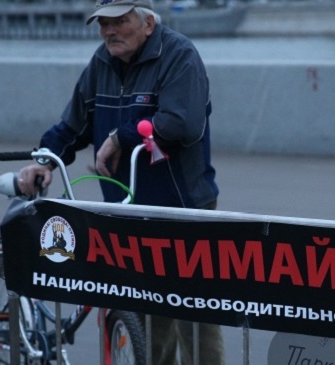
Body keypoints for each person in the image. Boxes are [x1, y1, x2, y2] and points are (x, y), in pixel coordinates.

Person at [15, 0, 223, 363]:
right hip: (126, 213)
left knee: (193, 318)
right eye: (102, 24)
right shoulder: (102, 62)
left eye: (119, 21)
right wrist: (44, 160)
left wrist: (118, 138)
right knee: (144, 321)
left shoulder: (179, 56)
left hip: (182, 209)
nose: (109, 31)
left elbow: (182, 123)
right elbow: (72, 126)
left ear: (147, 23)